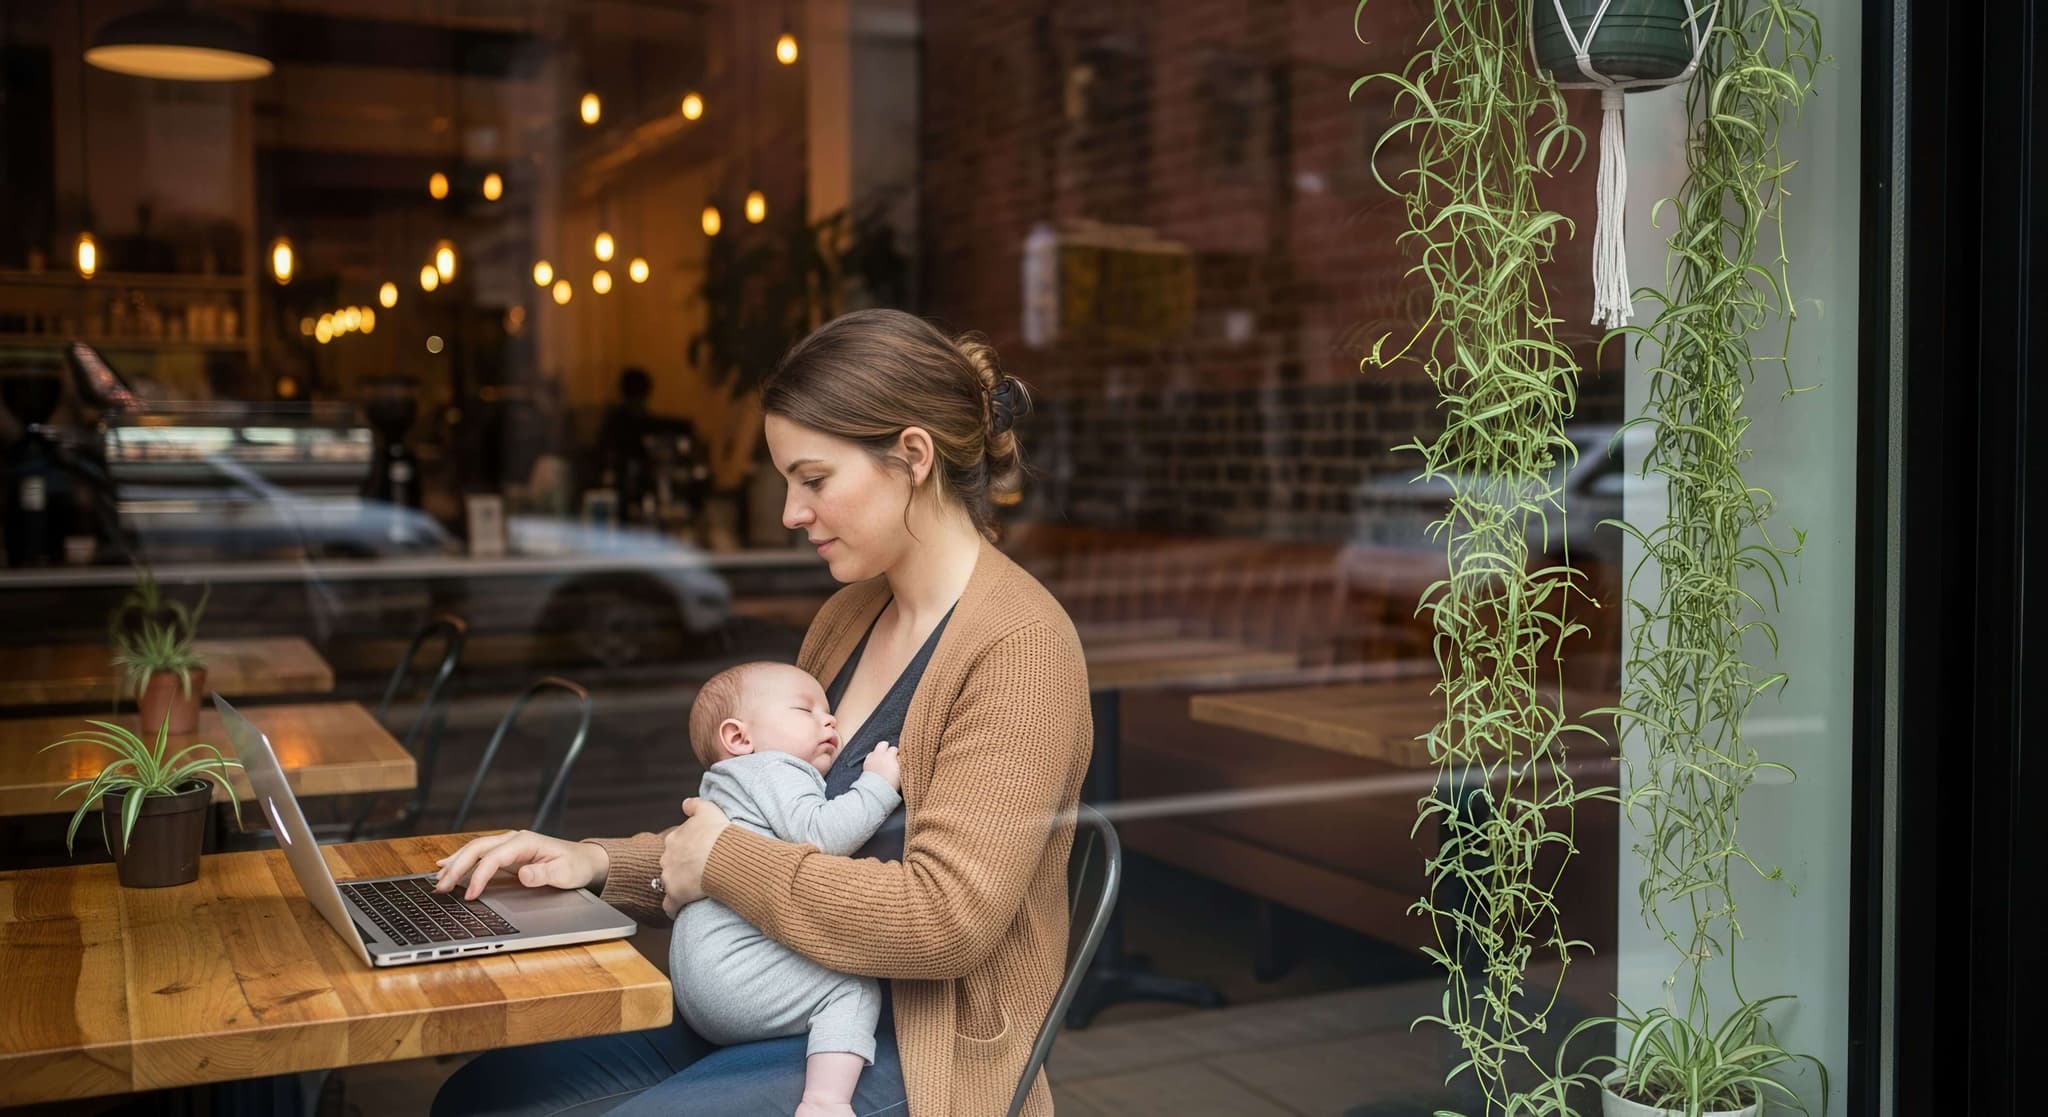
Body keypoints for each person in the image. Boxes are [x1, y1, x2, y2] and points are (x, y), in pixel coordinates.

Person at [430, 308, 1090, 1117]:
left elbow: (944, 922)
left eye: (813, 479)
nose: (790, 512)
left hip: (913, 1047)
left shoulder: (1020, 648)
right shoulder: (848, 617)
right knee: (483, 1100)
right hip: (781, 992)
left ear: (912, 456)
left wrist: (720, 864)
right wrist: (595, 862)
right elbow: (751, 828)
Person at [672, 661, 904, 1117]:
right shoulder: (773, 768)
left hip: (699, 981)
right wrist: (878, 783)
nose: (829, 719)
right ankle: (825, 1102)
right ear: (739, 739)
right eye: (806, 709)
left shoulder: (731, 782)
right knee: (853, 988)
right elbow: (823, 834)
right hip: (735, 977)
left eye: (828, 710)